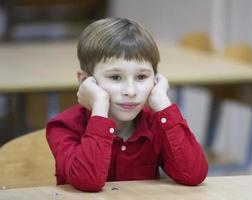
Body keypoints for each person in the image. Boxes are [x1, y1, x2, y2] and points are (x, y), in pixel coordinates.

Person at [46, 18, 208, 192]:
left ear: (156, 79)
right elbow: (88, 181)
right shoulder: (63, 126)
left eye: (141, 77)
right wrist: (100, 105)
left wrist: (162, 103)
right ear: (86, 81)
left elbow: (194, 175)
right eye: (115, 77)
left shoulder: (156, 123)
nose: (131, 91)